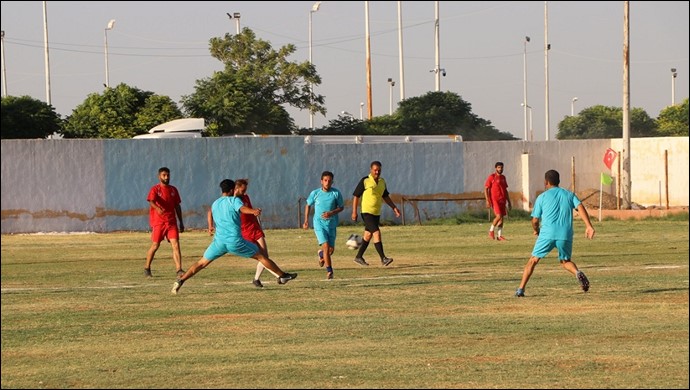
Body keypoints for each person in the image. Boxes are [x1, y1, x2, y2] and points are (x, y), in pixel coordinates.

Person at [173, 179, 296, 294]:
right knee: (261, 256)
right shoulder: (234, 200)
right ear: (232, 190)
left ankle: (181, 280)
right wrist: (253, 211)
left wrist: (210, 226)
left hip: (218, 242)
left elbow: (213, 214)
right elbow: (242, 208)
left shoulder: (215, 203)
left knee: (201, 263)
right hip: (234, 241)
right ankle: (282, 276)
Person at [515, 169, 595, 297]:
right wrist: (588, 226)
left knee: (533, 260)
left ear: (546, 182)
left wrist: (536, 230)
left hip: (547, 234)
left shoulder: (542, 197)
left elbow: (535, 220)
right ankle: (577, 272)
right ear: (559, 181)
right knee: (565, 261)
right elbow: (580, 206)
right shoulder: (569, 195)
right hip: (565, 234)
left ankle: (520, 289)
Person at [207, 178, 278, 288]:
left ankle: (258, 279)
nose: (244, 192)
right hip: (243, 231)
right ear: (235, 189)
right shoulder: (231, 201)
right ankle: (278, 276)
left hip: (254, 229)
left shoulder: (245, 197)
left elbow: (248, 210)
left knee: (265, 255)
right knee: (261, 256)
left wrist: (255, 214)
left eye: (245, 190)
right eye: (242, 190)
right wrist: (211, 225)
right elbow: (211, 212)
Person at [350, 160, 400, 267]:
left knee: (368, 235)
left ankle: (358, 257)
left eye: (379, 170)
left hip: (376, 213)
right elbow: (356, 196)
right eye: (375, 170)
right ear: (371, 170)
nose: (377, 172)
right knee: (376, 232)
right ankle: (383, 258)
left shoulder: (382, 182)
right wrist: (354, 212)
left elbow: (385, 196)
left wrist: (394, 208)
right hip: (366, 212)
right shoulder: (365, 180)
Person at [303, 171, 345, 280]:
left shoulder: (336, 193)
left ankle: (321, 255)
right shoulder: (315, 193)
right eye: (325, 180)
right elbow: (308, 205)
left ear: (332, 182)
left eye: (329, 181)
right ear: (321, 181)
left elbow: (341, 207)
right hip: (319, 224)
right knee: (326, 246)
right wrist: (306, 220)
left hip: (331, 224)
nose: (327, 183)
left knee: (330, 250)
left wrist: (331, 213)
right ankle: (329, 271)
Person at [144, 167, 184, 278]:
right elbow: (151, 201)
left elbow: (177, 206)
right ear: (159, 176)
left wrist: (181, 222)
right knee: (155, 245)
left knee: (175, 245)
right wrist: (157, 208)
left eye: (168, 175)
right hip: (159, 222)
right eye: (164, 175)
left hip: (171, 222)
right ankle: (147, 268)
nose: (166, 177)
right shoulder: (155, 189)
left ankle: (179, 270)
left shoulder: (173, 190)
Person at [484, 161, 512, 241]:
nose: (500, 169)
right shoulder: (492, 177)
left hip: (502, 200)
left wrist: (509, 201)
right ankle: (491, 230)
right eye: (499, 167)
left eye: (501, 167)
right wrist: (487, 200)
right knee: (498, 216)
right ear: (496, 168)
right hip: (494, 200)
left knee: (501, 219)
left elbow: (505, 190)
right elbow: (486, 188)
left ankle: (499, 236)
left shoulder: (503, 177)